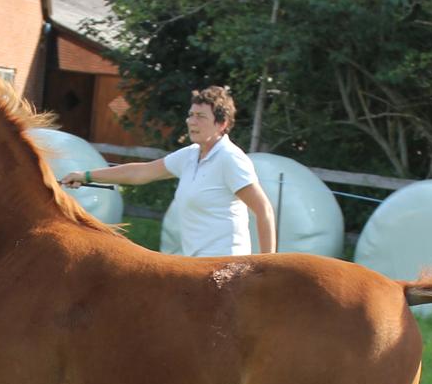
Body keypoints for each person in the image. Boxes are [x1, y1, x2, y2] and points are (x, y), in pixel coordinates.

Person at [62, 86, 277, 257]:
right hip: (195, 265)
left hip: (226, 266)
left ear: (222, 123)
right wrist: (86, 175)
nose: (191, 121)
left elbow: (263, 210)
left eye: (200, 116)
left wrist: (269, 269)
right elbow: (141, 172)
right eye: (190, 115)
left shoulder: (230, 158)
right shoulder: (190, 155)